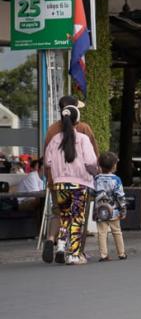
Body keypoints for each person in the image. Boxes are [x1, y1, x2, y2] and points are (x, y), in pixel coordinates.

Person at [42, 96, 99, 264]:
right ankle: (74, 254)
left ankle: (58, 244)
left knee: (62, 215)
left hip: (58, 182)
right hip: (79, 182)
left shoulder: (53, 133)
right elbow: (91, 159)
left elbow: (47, 161)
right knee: (77, 218)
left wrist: (52, 178)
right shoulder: (83, 133)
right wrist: (95, 173)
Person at [93, 152, 127, 262]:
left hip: (100, 210)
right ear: (113, 166)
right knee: (116, 231)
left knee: (102, 233)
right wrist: (123, 209)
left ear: (100, 166)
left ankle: (103, 255)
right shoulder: (116, 180)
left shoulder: (96, 179)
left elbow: (92, 192)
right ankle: (121, 253)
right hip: (114, 211)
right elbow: (120, 196)